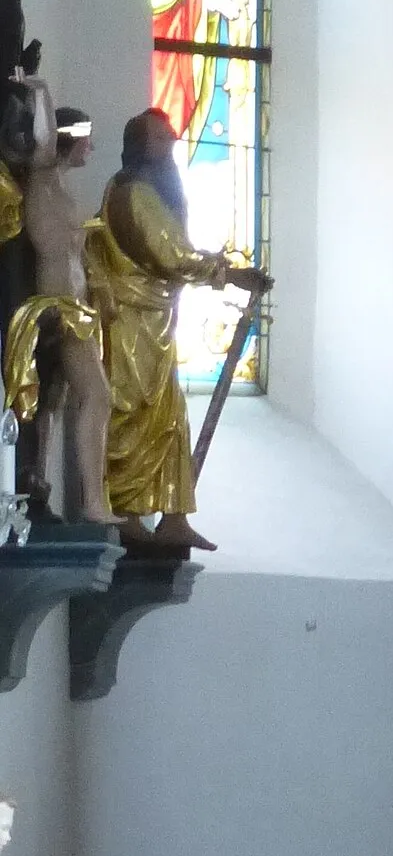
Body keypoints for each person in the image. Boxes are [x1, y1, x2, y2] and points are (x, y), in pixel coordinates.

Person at [84, 109, 268, 550]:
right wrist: (230, 273)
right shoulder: (132, 193)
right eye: (162, 140)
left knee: (168, 418)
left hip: (157, 321)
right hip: (131, 323)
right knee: (132, 413)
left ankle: (173, 518)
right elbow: (171, 255)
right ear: (142, 147)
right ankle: (124, 515)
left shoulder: (147, 190)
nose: (170, 147)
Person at [18, 87, 113, 523]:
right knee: (97, 395)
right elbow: (44, 137)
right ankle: (94, 502)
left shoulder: (57, 185)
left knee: (52, 403)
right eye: (86, 138)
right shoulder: (41, 174)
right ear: (68, 136)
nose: (92, 146)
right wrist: (40, 89)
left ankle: (38, 486)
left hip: (72, 305)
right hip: (58, 305)